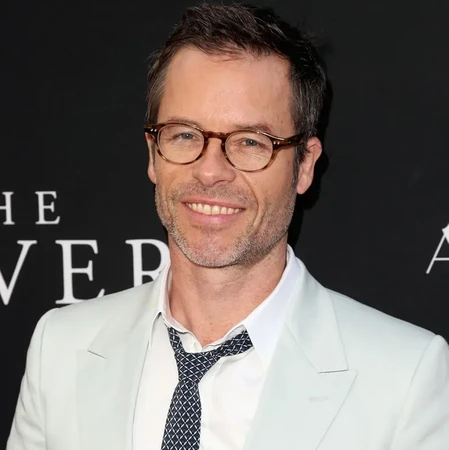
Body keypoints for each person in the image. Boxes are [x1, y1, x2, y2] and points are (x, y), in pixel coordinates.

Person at [7, 3, 449, 450]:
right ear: (153, 153)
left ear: (304, 166)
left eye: (251, 142)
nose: (210, 170)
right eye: (184, 135)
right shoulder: (60, 349)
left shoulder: (403, 379)